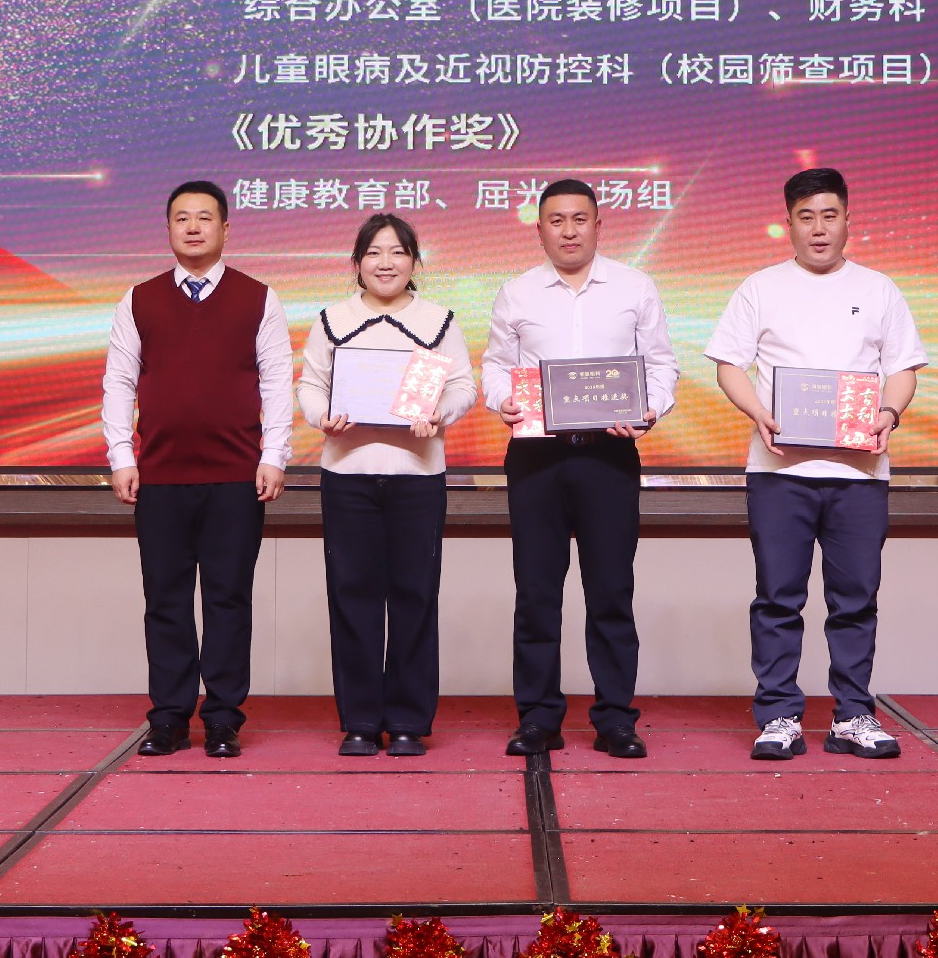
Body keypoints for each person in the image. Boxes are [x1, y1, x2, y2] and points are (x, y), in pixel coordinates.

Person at [705, 167, 928, 760]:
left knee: (855, 599)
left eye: (830, 215)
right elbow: (728, 363)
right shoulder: (760, 288)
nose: (819, 228)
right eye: (806, 217)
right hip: (780, 472)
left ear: (848, 220)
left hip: (859, 473)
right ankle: (778, 714)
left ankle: (853, 715)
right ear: (789, 224)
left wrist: (889, 412)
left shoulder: (879, 289)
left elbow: (903, 368)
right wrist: (759, 412)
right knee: (777, 597)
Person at [480, 178, 678, 759]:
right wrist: (503, 399)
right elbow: (495, 366)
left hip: (608, 455)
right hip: (536, 457)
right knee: (536, 593)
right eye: (556, 220)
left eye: (579, 219)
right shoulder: (517, 292)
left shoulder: (635, 287)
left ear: (598, 224)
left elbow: (661, 365)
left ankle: (616, 719)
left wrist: (649, 408)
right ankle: (538, 718)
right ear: (539, 228)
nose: (569, 231)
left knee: (611, 591)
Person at [102, 179, 293, 759]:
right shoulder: (138, 300)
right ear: (168, 229)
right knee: (165, 600)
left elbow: (276, 381)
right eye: (181, 217)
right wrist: (121, 456)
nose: (192, 227)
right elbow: (119, 381)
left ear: (225, 229)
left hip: (236, 476)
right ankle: (168, 718)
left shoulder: (259, 298)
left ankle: (223, 719)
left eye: (204, 217)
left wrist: (274, 455)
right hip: (159, 476)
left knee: (228, 600)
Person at [297, 213, 477, 757]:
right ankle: (359, 721)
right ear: (357, 264)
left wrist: (439, 414)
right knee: (351, 596)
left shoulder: (438, 320)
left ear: (414, 262)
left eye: (398, 252)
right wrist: (322, 416)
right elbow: (310, 384)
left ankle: (406, 722)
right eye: (374, 253)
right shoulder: (333, 319)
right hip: (347, 475)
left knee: (414, 597)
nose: (386, 262)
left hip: (417, 476)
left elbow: (463, 386)